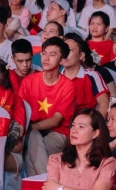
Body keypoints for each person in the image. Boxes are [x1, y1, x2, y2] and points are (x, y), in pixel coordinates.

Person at [20, 37, 78, 176]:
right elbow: (21, 110)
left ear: (62, 61)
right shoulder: (29, 81)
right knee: (32, 139)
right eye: (44, 53)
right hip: (32, 131)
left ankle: (41, 182)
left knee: (32, 149)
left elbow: (56, 120)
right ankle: (46, 181)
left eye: (52, 55)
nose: (46, 58)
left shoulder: (68, 86)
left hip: (57, 133)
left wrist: (31, 128)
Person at [43, 109, 116, 190]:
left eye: (81, 127)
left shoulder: (107, 163)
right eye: (73, 125)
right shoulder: (57, 159)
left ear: (95, 133)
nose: (74, 130)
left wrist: (59, 189)